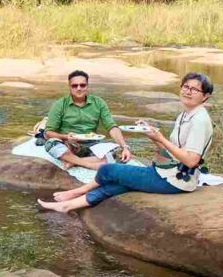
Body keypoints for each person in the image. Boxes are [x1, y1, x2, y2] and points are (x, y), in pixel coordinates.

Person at [38, 72, 214, 213]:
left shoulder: (199, 120)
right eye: (185, 87)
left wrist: (160, 139)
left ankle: (77, 191)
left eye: (194, 90)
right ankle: (67, 205)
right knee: (118, 184)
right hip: (164, 172)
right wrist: (152, 135)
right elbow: (172, 151)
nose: (188, 91)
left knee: (108, 170)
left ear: (205, 96)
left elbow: (191, 160)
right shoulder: (185, 114)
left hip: (175, 180)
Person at [41, 70, 132, 170]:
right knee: (51, 144)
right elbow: (49, 132)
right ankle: (88, 163)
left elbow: (111, 127)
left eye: (82, 85)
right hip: (68, 144)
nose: (79, 88)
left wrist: (124, 147)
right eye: (74, 86)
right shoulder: (59, 104)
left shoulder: (98, 102)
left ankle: (72, 161)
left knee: (115, 151)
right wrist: (66, 136)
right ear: (70, 87)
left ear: (87, 86)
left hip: (92, 144)